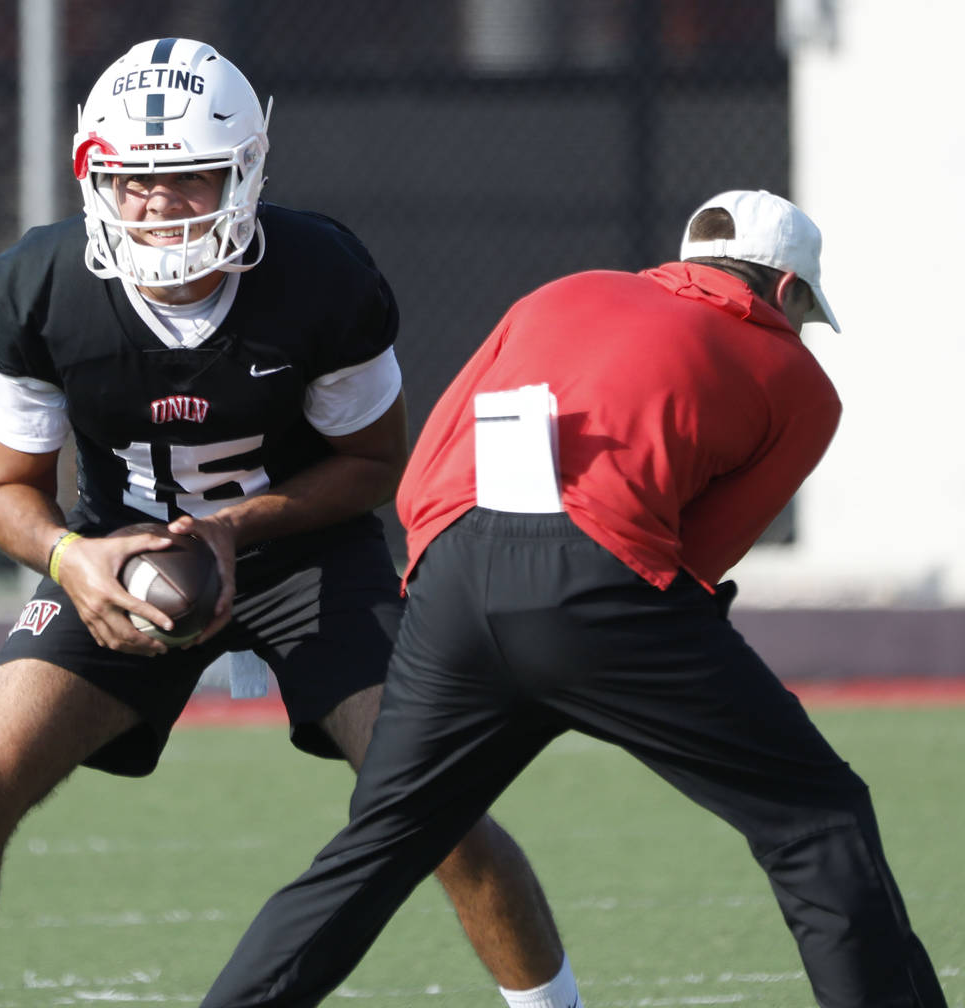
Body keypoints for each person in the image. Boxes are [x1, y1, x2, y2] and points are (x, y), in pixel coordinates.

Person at [0, 37, 575, 1008]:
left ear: (245, 172)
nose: (158, 206)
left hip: (307, 558)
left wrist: (234, 529)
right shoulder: (37, 287)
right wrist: (73, 558)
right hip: (119, 554)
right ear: (95, 174)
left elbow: (370, 467)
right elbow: (10, 493)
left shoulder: (320, 274)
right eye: (135, 179)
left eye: (189, 178)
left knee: (436, 805)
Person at [197, 190, 949, 1008]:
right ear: (786, 293)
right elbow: (699, 559)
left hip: (448, 572)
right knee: (817, 821)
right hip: (603, 588)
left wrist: (475, 594)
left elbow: (421, 479)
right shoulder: (799, 380)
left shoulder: (565, 289)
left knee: (376, 849)